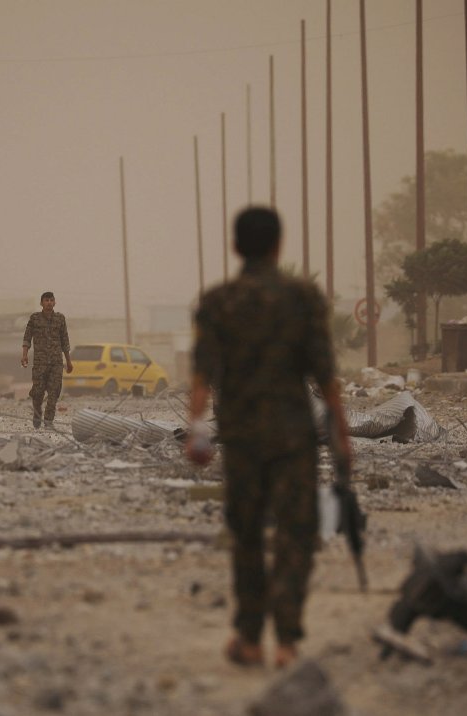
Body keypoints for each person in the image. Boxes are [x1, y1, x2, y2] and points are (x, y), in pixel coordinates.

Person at [186, 206, 351, 669]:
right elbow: (326, 375)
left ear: (236, 246)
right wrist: (342, 438)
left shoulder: (217, 301)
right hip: (293, 435)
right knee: (296, 533)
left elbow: (201, 374)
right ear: (279, 246)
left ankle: (250, 637)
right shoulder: (303, 298)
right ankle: (288, 641)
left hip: (240, 437)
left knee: (247, 534)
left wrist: (197, 432)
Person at [21, 291, 73, 429]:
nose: (49, 302)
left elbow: (65, 340)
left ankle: (48, 422)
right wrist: (24, 354)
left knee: (54, 392)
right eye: (46, 300)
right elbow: (27, 337)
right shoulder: (35, 318)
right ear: (41, 303)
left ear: (54, 302)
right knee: (37, 393)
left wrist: (68, 361)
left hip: (56, 362)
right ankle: (37, 413)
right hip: (40, 363)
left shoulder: (60, 319)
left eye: (51, 300)